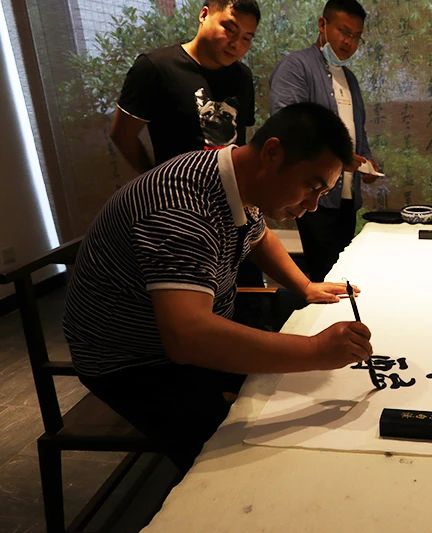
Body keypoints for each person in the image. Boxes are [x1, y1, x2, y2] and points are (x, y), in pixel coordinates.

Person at [64, 103, 374, 475]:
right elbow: (187, 337)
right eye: (312, 187)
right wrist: (315, 350)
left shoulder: (238, 178)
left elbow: (259, 237)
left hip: (190, 331)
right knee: (241, 457)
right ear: (273, 153)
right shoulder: (181, 208)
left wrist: (305, 286)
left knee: (296, 387)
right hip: (132, 359)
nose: (312, 205)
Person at [269, 0, 381, 282]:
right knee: (325, 275)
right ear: (322, 24)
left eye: (356, 36)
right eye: (344, 31)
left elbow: (357, 130)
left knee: (343, 272)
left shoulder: (350, 78)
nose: (349, 42)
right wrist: (341, 158)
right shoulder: (296, 66)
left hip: (347, 197)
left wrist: (366, 161)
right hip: (313, 194)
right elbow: (288, 125)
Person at [110, 0, 260, 174]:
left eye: (246, 38)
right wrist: (154, 181)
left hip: (231, 188)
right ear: (204, 15)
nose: (236, 44)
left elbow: (241, 136)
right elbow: (122, 135)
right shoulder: (156, 67)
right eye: (230, 29)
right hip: (177, 189)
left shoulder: (242, 76)